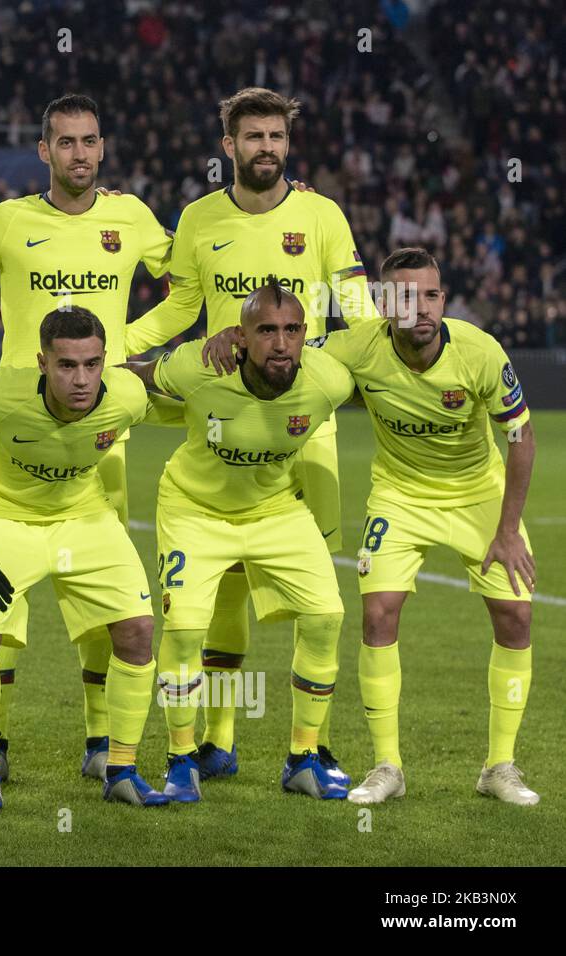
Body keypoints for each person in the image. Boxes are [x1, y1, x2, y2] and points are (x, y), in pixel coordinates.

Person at [205, 248, 537, 805]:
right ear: (384, 304)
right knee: (378, 613)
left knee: (516, 613)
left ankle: (499, 767)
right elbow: (284, 349)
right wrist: (230, 336)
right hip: (399, 495)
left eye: (431, 295)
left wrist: (507, 531)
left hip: (478, 493)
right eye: (406, 296)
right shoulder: (355, 347)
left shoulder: (480, 352)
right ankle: (388, 766)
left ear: (443, 300)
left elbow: (521, 439)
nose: (421, 308)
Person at [124, 87, 379, 783]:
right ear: (228, 146)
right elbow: (180, 304)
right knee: (225, 585)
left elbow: (355, 306)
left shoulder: (322, 215)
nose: (266, 147)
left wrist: (365, 353)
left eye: (276, 136)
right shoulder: (199, 218)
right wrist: (114, 347)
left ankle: (309, 744)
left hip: (304, 427)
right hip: (228, 409)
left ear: (287, 143)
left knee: (315, 599)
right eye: (253, 137)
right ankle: (218, 739)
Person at [0, 93, 175, 781]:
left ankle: (102, 741)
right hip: (21, 419)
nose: (79, 153)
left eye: (90, 141)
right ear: (44, 151)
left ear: (103, 148)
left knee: (102, 604)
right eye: (65, 142)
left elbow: (188, 281)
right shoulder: (9, 221)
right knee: (0, 602)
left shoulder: (131, 217)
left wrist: (132, 344)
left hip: (101, 427)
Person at [125, 279, 355, 801]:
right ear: (241, 336)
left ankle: (303, 757)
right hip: (194, 509)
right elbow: (130, 378)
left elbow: (381, 360)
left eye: (292, 330)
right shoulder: (199, 367)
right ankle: (181, 760)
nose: (280, 343)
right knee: (183, 630)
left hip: (275, 509)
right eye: (266, 331)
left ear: (305, 335)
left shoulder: (329, 381)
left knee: (326, 615)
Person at [0, 306, 166, 811]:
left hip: (86, 517)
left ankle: (122, 768)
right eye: (67, 365)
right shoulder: (2, 390)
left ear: (106, 361)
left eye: (91, 364)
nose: (81, 378)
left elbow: (178, 408)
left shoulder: (127, 396)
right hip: (6, 516)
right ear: (43, 363)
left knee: (137, 630)